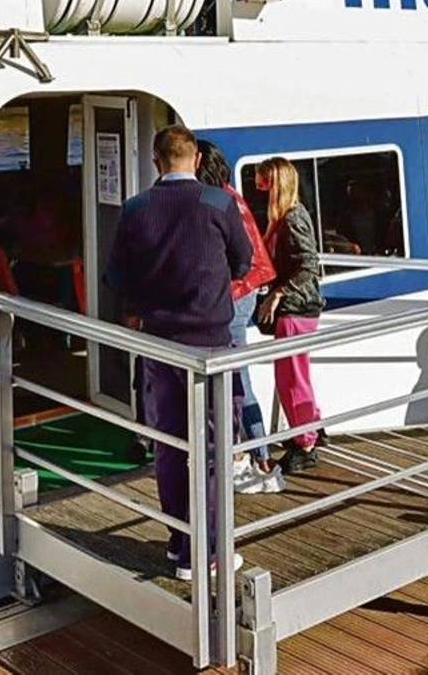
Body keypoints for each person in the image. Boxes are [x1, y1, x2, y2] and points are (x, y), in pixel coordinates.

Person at [107, 125, 251, 580]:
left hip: (158, 342)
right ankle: (203, 552)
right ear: (194, 159)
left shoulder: (134, 209)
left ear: (156, 162)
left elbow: (115, 275)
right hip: (210, 344)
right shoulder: (219, 203)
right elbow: (244, 262)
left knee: (169, 444)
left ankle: (177, 540)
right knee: (210, 448)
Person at [196, 141, 284, 491]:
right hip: (242, 294)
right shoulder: (228, 195)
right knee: (235, 378)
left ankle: (250, 457)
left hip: (235, 296)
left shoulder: (218, 202)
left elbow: (239, 257)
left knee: (236, 380)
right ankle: (254, 453)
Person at [254, 157, 326, 473]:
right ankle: (311, 427)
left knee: (291, 378)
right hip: (298, 309)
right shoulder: (289, 216)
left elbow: (308, 263)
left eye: (263, 184)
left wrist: (277, 293)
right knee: (296, 375)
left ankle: (305, 442)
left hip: (296, 309)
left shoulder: (292, 218)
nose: (260, 191)